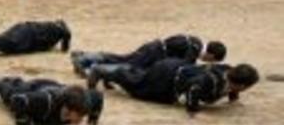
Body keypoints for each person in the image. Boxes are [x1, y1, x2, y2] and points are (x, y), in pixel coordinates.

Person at [87, 58, 259, 116]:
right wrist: (192, 110)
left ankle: (110, 72)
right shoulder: (212, 81)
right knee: (137, 89)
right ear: (241, 85)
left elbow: (229, 88)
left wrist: (233, 97)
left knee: (139, 77)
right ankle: (100, 71)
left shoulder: (228, 73)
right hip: (167, 77)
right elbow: (193, 89)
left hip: (175, 68)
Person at [71, 35, 226, 77]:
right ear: (210, 54)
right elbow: (183, 67)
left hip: (153, 47)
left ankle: (86, 57)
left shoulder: (195, 41)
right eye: (210, 60)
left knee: (122, 59)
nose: (206, 61)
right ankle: (95, 69)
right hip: (153, 53)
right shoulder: (193, 50)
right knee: (129, 67)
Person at [0, 76, 100, 125]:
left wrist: (93, 120)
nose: (82, 119)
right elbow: (17, 101)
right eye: (80, 115)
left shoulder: (85, 101)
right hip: (34, 90)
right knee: (12, 95)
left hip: (57, 87)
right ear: (69, 109)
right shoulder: (45, 102)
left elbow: (98, 96)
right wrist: (24, 121)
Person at [0, 20, 71, 60]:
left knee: (2, 38)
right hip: (29, 37)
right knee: (8, 45)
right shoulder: (64, 32)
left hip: (24, 27)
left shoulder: (47, 25)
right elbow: (64, 50)